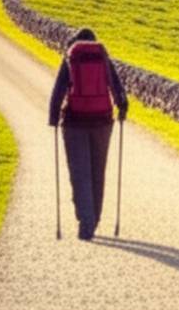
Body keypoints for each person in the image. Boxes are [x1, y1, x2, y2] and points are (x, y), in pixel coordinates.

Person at [48, 28, 128, 241]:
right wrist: (122, 108)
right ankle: (95, 218)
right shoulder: (103, 56)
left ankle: (86, 221)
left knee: (79, 173)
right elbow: (116, 86)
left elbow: (58, 91)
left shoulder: (71, 56)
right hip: (102, 121)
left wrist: (53, 118)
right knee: (97, 170)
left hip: (74, 123)